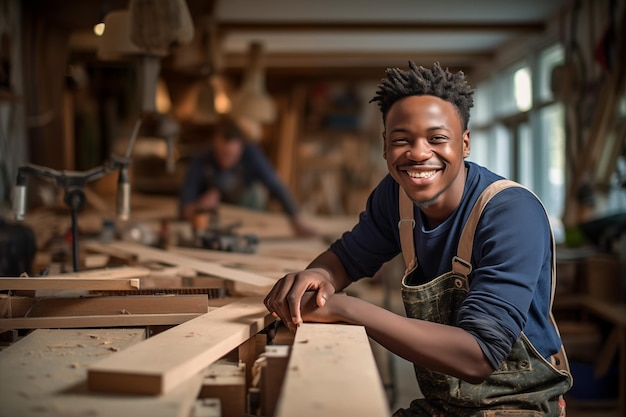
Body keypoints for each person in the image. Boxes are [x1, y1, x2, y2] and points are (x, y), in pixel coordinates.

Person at [264, 62, 573, 416]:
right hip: (443, 405)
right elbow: (346, 258)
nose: (419, 153)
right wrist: (317, 277)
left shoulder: (511, 213)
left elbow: (478, 356)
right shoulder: (396, 197)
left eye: (437, 138)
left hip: (519, 406)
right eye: (402, 140)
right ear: (385, 146)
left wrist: (348, 309)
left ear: (465, 143)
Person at [179, 116, 315, 237]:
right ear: (215, 143)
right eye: (222, 155)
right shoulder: (200, 161)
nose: (226, 162)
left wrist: (297, 221)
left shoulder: (252, 155)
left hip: (249, 220)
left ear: (241, 147)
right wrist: (200, 206)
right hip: (216, 223)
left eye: (231, 156)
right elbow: (184, 210)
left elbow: (276, 187)